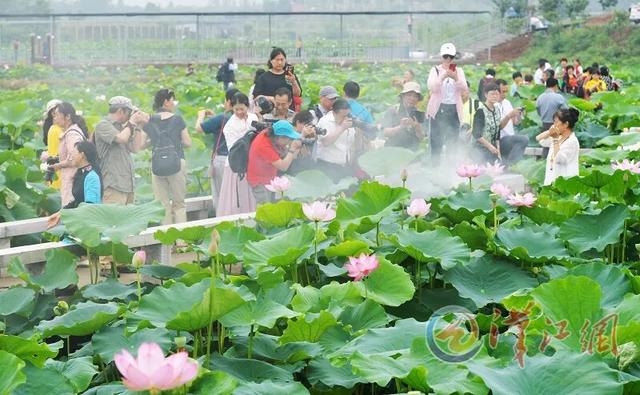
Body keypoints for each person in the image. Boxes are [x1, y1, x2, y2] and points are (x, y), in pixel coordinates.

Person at [138, 89, 192, 225]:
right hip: (177, 163)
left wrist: (156, 140)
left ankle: (167, 244)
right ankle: (181, 244)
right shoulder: (178, 119)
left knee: (162, 205)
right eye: (172, 100)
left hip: (158, 165)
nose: (173, 103)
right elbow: (187, 142)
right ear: (166, 102)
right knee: (179, 205)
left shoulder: (149, 120)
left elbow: (141, 145)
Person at [94, 96, 148, 206]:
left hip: (128, 185)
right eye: (129, 112)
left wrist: (138, 126)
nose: (130, 116)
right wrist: (131, 123)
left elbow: (135, 148)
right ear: (120, 111)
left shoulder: (124, 128)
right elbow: (121, 139)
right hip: (113, 185)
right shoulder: (103, 125)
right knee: (113, 221)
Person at [196, 88, 239, 213]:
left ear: (229, 101)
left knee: (220, 194)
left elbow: (199, 129)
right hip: (237, 161)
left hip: (221, 159)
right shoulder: (241, 117)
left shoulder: (222, 117)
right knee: (233, 194)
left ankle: (221, 220)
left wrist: (201, 116)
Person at [426, 42, 469, 163]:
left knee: (453, 139)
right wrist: (443, 76)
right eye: (446, 56)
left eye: (451, 57)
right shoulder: (435, 70)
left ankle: (450, 166)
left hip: (454, 108)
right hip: (438, 108)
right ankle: (434, 164)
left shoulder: (459, 71)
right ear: (441, 56)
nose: (448, 59)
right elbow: (432, 87)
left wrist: (455, 78)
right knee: (436, 138)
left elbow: (464, 88)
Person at [217, 92, 258, 216]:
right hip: (237, 165)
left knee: (253, 194)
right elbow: (233, 148)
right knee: (237, 198)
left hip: (253, 163)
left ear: (247, 107)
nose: (239, 112)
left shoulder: (253, 118)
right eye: (236, 109)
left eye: (242, 109)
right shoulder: (229, 126)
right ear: (232, 108)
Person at [47, 141, 102, 229]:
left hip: (88, 226)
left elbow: (90, 207)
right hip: (79, 221)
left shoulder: (92, 177)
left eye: (73, 153)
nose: (71, 157)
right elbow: (77, 201)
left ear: (82, 155)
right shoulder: (81, 173)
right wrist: (60, 213)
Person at [247, 120, 302, 203]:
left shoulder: (270, 134)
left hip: (270, 178)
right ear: (278, 137)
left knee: (272, 206)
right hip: (260, 181)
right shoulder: (263, 145)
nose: (289, 141)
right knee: (265, 209)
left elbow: (288, 156)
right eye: (288, 138)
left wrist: (295, 150)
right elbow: (283, 167)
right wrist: (292, 149)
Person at [49, 102, 89, 207]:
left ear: (67, 116)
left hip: (72, 180)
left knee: (69, 211)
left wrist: (58, 165)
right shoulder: (73, 131)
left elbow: (76, 159)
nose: (55, 117)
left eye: (57, 114)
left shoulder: (72, 134)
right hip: (73, 178)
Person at [471, 83, 520, 163]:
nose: (495, 96)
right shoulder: (480, 110)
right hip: (480, 149)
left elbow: (497, 132)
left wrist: (498, 150)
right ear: (486, 95)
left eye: (497, 94)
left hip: (492, 148)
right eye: (492, 94)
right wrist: (491, 147)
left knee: (500, 167)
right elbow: (476, 134)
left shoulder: (497, 109)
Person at [316, 98, 358, 181]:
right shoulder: (325, 121)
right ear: (334, 113)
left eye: (348, 115)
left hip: (344, 166)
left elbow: (350, 145)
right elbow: (326, 142)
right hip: (327, 165)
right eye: (343, 116)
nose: (346, 118)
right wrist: (342, 127)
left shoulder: (348, 122)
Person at [535, 108, 580, 185]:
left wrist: (555, 140)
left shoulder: (572, 141)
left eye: (556, 122)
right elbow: (539, 139)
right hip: (552, 181)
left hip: (565, 183)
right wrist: (550, 132)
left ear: (566, 124)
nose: (554, 125)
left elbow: (559, 159)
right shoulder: (558, 137)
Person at [382, 81, 425, 149]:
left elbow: (421, 138)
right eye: (409, 95)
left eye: (415, 96)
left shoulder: (418, 113)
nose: (412, 99)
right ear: (403, 96)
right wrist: (401, 127)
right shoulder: (393, 110)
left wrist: (417, 126)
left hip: (412, 152)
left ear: (418, 99)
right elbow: (385, 132)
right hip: (393, 150)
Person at [496, 79, 528, 165]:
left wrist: (519, 115)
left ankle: (509, 164)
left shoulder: (507, 102)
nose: (505, 94)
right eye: (503, 91)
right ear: (496, 91)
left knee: (523, 138)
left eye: (506, 91)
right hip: (500, 139)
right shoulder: (493, 105)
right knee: (523, 139)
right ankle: (512, 164)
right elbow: (498, 127)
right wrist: (509, 115)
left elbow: (515, 123)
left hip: (510, 137)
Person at [41, 99, 63, 189]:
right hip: (59, 165)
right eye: (53, 111)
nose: (55, 113)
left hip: (56, 164)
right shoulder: (55, 129)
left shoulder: (54, 128)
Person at [288, 110, 318, 175]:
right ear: (298, 122)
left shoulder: (307, 134)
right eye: (306, 125)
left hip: (306, 167)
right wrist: (302, 135)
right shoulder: (289, 133)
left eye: (310, 125)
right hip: (292, 168)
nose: (308, 128)